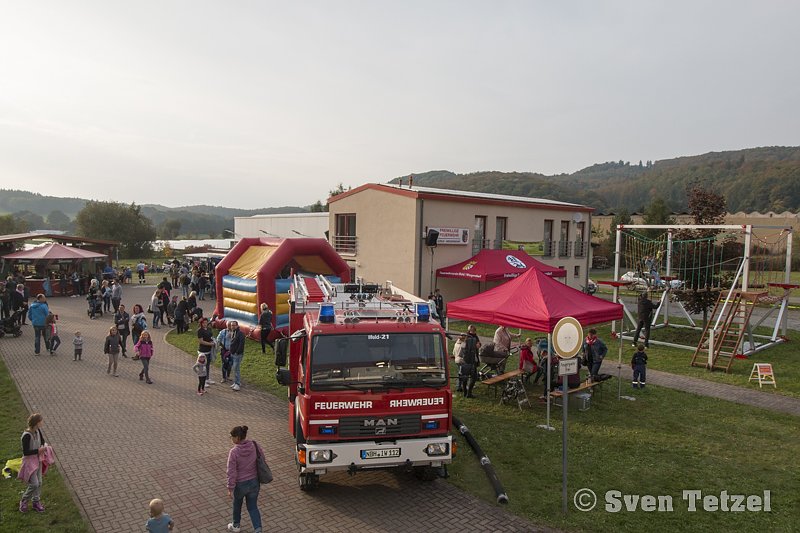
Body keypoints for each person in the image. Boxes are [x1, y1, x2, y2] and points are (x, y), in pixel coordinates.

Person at [226, 425, 264, 533]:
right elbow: (262, 458)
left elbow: (231, 471)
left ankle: (236, 525)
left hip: (240, 485)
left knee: (237, 505)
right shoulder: (254, 445)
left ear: (237, 438)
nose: (231, 439)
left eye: (232, 437)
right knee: (252, 507)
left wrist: (230, 487)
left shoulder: (234, 452)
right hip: (254, 483)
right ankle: (258, 529)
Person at [18, 413, 47, 513]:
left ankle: (36, 502)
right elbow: (25, 452)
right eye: (41, 421)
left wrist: (43, 446)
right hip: (30, 463)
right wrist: (38, 451)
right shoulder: (26, 436)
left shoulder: (38, 431)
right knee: (34, 484)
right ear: (37, 423)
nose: (42, 423)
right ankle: (24, 500)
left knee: (39, 482)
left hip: (38, 460)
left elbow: (42, 441)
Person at [460, 325, 480, 398]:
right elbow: (477, 346)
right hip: (469, 360)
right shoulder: (469, 338)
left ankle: (466, 392)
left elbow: (478, 345)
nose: (473, 332)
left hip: (465, 360)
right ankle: (468, 393)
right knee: (473, 377)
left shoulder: (466, 336)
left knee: (465, 377)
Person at [197, 318, 216, 385]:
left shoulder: (209, 329)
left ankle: (207, 379)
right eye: (203, 323)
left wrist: (213, 341)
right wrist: (210, 344)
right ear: (201, 323)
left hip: (209, 350)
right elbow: (201, 341)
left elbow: (211, 337)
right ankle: (203, 381)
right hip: (203, 351)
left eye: (206, 322)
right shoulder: (200, 331)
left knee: (207, 365)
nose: (205, 324)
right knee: (202, 367)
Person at [229, 321, 246, 391]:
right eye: (231, 325)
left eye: (234, 325)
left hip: (237, 354)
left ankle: (238, 384)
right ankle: (235, 382)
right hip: (233, 353)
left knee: (236, 368)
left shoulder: (240, 334)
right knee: (234, 368)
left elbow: (241, 344)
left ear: (237, 326)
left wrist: (237, 352)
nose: (232, 327)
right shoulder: (233, 332)